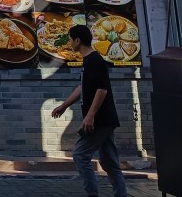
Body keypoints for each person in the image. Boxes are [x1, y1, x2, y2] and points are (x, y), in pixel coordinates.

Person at [51, 24, 128, 197]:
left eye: (70, 39)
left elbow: (102, 89)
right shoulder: (88, 61)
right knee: (110, 163)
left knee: (80, 155)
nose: (69, 43)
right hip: (104, 119)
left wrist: (90, 115)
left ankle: (92, 193)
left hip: (100, 120)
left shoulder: (95, 60)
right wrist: (64, 105)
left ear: (77, 41)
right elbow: (83, 87)